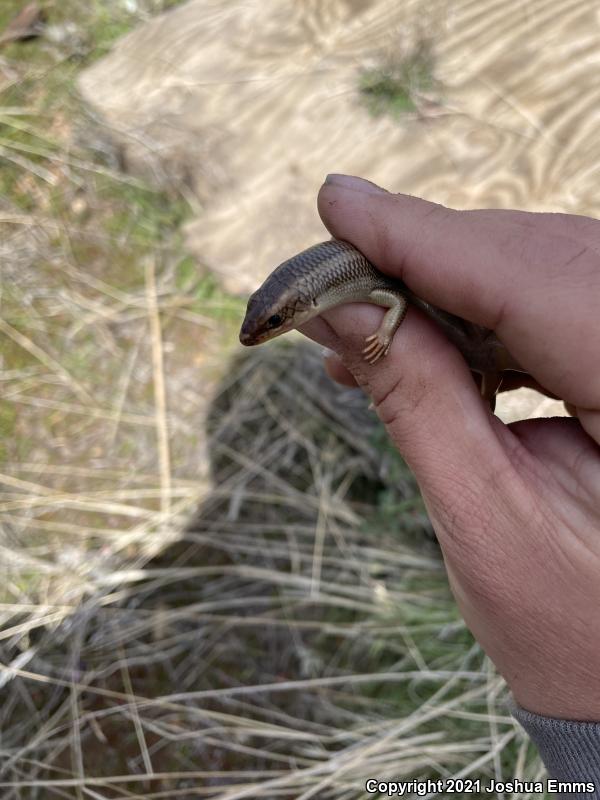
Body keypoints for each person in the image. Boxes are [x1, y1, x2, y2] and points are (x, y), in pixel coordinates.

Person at [299, 174, 600, 797]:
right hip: (468, 338)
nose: (270, 330)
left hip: (466, 336)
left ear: (305, 304)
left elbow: (396, 304)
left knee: (481, 364)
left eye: (279, 320)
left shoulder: (367, 287)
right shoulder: (348, 282)